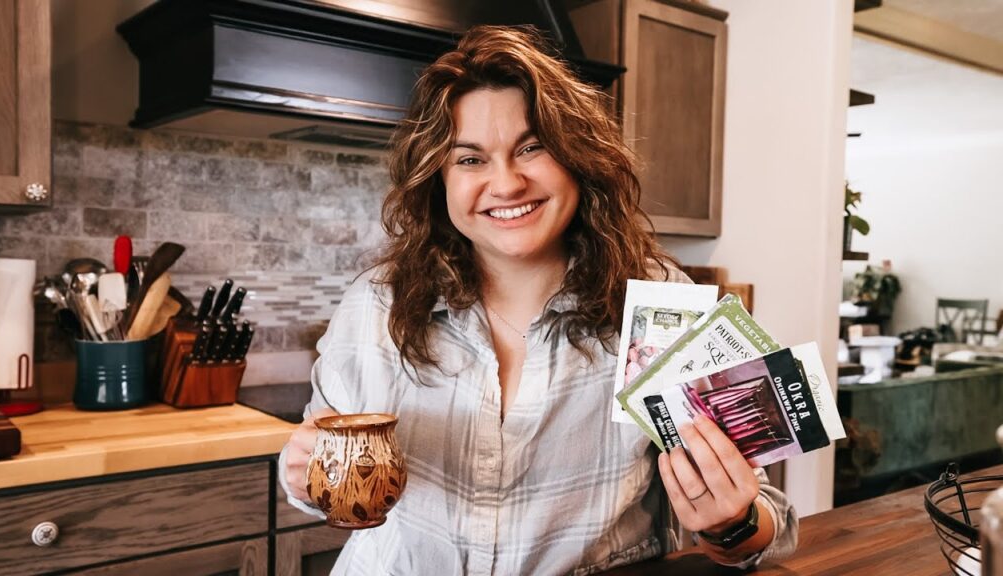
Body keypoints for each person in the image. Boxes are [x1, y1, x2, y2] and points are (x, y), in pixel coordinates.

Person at [279, 25, 797, 575]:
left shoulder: (661, 303)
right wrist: (304, 476)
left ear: (578, 158)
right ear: (438, 181)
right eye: (470, 160)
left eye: (533, 147)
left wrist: (732, 523)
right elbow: (322, 478)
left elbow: (770, 525)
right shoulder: (375, 305)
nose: (506, 184)